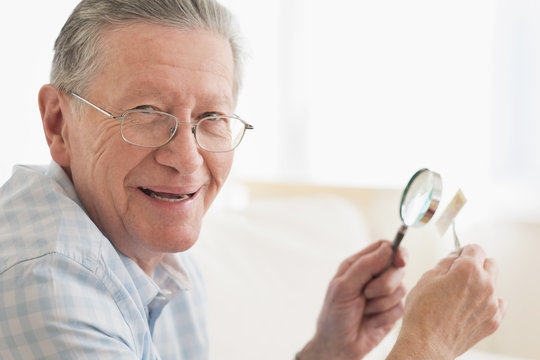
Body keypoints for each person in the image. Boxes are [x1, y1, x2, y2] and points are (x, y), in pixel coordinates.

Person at [0, 0, 505, 359]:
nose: (186, 159)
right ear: (58, 123)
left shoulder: (164, 259)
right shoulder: (47, 281)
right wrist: (429, 347)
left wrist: (329, 351)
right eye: (147, 112)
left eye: (212, 117)